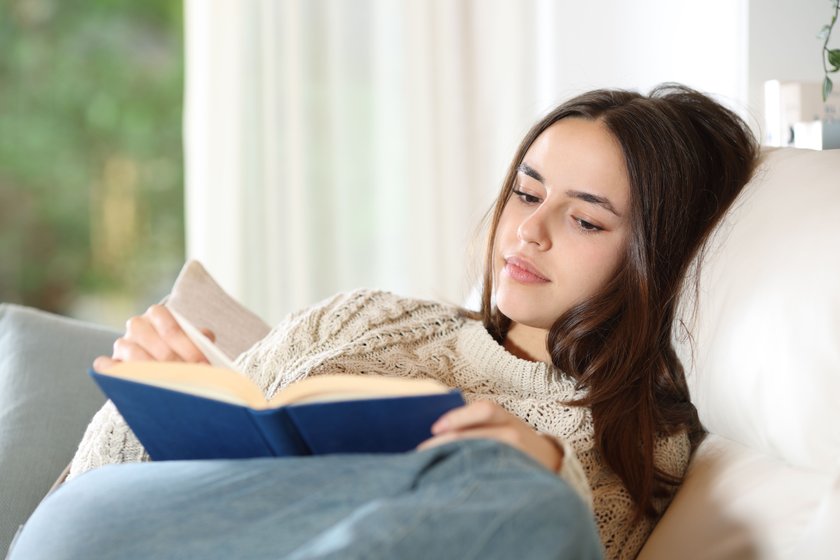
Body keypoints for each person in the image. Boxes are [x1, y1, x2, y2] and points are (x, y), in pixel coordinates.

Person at [9, 83, 759, 560]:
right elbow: (85, 504)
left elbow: (560, 538)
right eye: (528, 195)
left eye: (585, 221)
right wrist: (174, 406)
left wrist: (550, 472)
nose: (528, 233)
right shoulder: (364, 319)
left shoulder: (638, 438)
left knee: (521, 486)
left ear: (651, 260)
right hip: (118, 534)